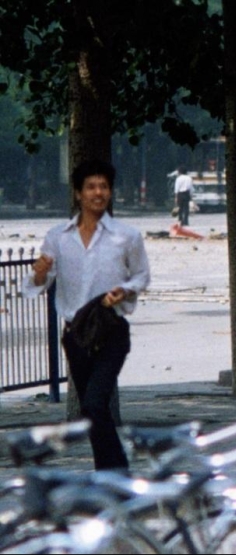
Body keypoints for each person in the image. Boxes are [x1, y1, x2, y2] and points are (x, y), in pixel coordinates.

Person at [24, 159, 151, 471]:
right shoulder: (58, 237)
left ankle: (117, 473)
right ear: (78, 193)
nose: (98, 193)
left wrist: (125, 290)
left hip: (111, 332)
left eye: (104, 187)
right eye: (91, 187)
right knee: (92, 412)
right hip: (76, 335)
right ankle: (109, 475)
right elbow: (37, 284)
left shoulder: (127, 236)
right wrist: (39, 274)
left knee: (95, 403)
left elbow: (141, 276)